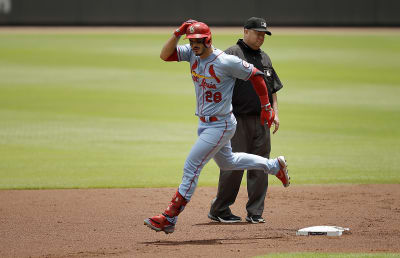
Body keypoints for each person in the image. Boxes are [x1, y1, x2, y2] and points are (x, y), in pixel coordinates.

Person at [143, 20, 290, 234]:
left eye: (197, 40)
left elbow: (257, 75)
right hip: (205, 124)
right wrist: (178, 32)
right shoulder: (193, 53)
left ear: (208, 39)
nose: (193, 44)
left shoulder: (226, 61)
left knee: (192, 166)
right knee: (229, 162)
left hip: (221, 125)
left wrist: (266, 106)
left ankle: (169, 217)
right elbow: (165, 55)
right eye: (190, 40)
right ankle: (274, 166)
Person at [208, 17, 283, 224]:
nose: (261, 37)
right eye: (257, 33)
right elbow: (216, 83)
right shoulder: (232, 54)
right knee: (232, 167)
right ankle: (220, 209)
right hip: (236, 120)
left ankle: (255, 212)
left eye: (263, 34)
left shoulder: (265, 58)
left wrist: (275, 112)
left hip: (261, 121)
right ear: (245, 31)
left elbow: (272, 89)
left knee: (261, 167)